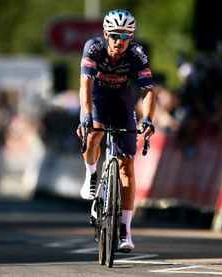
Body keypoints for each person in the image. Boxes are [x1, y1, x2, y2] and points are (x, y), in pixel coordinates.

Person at [76, 9, 156, 252]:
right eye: (113, 36)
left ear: (131, 37)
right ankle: (91, 174)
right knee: (94, 134)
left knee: (126, 165)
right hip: (96, 98)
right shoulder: (93, 48)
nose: (118, 42)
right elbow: (85, 87)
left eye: (124, 36)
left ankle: (125, 230)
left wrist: (149, 119)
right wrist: (87, 117)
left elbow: (148, 91)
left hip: (122, 101)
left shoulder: (137, 54)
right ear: (105, 34)